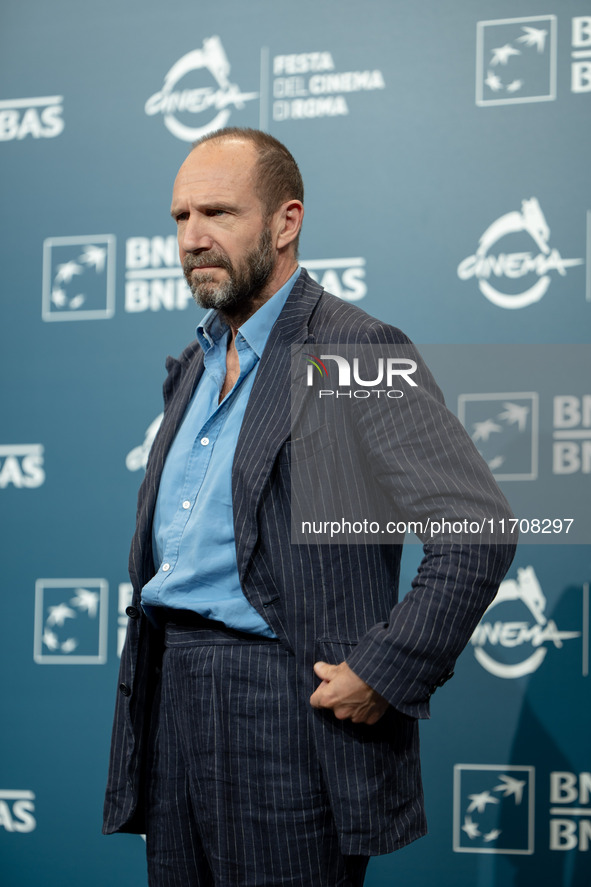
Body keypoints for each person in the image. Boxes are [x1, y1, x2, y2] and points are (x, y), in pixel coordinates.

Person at [103, 128, 515, 886]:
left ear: (285, 222)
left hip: (285, 705)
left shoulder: (351, 350)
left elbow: (475, 529)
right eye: (180, 218)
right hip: (172, 692)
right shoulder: (193, 363)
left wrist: (383, 668)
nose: (193, 238)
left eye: (218, 213)